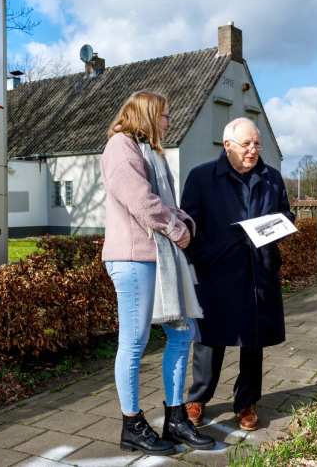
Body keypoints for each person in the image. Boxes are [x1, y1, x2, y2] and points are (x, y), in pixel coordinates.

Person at [100, 91, 215, 455]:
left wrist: (185, 220)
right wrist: (179, 231)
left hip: (161, 259)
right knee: (133, 342)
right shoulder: (121, 148)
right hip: (134, 258)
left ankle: (176, 418)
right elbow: (143, 204)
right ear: (148, 115)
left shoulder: (150, 151)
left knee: (182, 334)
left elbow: (164, 204)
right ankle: (132, 424)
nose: (168, 121)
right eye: (164, 115)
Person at [181, 117, 295, 431]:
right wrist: (203, 257)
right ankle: (198, 398)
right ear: (227, 145)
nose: (253, 150)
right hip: (216, 271)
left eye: (257, 143)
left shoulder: (271, 177)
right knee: (209, 341)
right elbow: (188, 224)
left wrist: (277, 227)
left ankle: (246, 402)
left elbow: (286, 212)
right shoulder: (202, 177)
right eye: (246, 144)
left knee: (253, 341)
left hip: (258, 270)